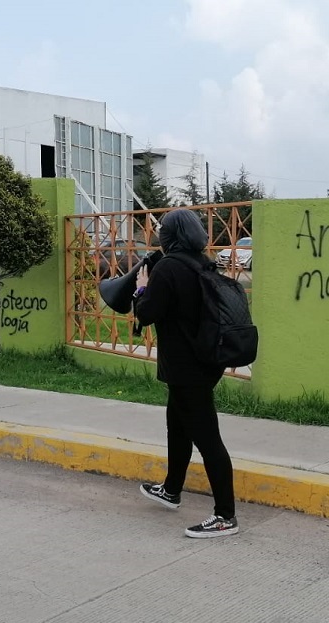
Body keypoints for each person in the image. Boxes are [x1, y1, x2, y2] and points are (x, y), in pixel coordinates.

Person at [132, 208, 238, 538]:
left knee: (208, 440)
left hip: (186, 369)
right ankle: (171, 490)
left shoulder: (168, 268)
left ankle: (225, 515)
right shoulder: (201, 263)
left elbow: (147, 313)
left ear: (170, 236)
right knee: (178, 429)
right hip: (203, 363)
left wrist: (141, 289)